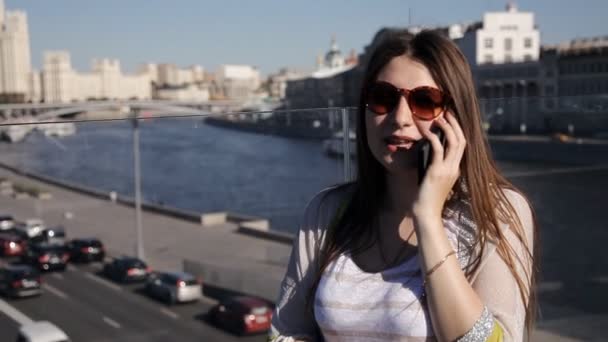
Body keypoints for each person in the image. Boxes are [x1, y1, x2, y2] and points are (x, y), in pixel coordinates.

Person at [269, 30, 538, 342]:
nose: (400, 118)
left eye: (424, 101)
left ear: (457, 117)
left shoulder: (496, 212)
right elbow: (285, 332)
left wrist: (428, 219)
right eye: (383, 97)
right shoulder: (327, 212)